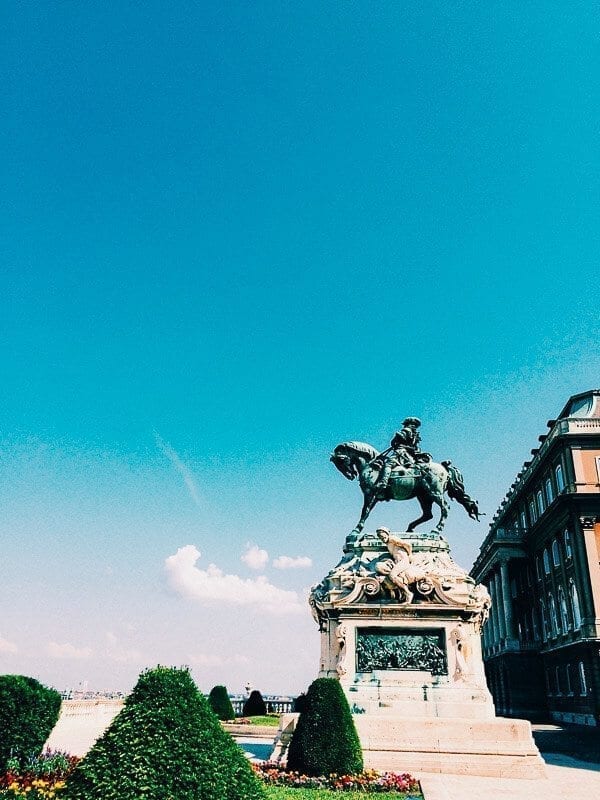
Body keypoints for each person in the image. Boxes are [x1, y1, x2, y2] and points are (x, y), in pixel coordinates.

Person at [373, 417, 430, 496]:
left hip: (401, 453)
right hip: (411, 456)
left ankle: (383, 482)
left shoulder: (405, 430)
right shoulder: (415, 434)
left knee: (388, 464)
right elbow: (415, 447)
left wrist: (395, 443)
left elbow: (394, 442)